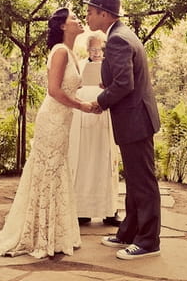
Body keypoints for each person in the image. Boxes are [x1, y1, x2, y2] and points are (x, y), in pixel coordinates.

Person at [0, 7, 94, 258]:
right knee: (47, 171)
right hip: (52, 119)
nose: (78, 20)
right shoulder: (60, 51)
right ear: (62, 26)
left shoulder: (72, 52)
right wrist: (82, 105)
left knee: (57, 169)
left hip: (63, 120)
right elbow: (54, 91)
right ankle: (39, 235)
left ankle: (55, 233)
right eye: (73, 18)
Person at [85, 0, 161, 260]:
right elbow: (122, 77)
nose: (87, 16)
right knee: (135, 179)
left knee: (143, 182)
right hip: (135, 117)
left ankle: (149, 241)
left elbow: (124, 84)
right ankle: (129, 232)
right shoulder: (122, 34)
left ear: (104, 14)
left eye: (91, 11)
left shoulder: (117, 39)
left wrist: (100, 101)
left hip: (135, 119)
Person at [68, 32, 121, 227]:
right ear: (88, 50)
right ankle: (83, 211)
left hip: (104, 120)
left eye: (100, 49)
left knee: (106, 163)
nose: (97, 53)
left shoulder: (113, 67)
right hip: (84, 120)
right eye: (93, 49)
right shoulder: (80, 66)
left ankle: (109, 211)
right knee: (85, 162)